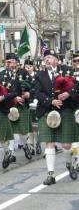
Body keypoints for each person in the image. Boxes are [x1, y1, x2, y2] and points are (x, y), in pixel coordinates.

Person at [35, 49, 77, 185]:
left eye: (50, 57)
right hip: (48, 111)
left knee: (66, 144)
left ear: (56, 60)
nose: (47, 60)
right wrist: (50, 101)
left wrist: (69, 94)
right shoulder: (40, 75)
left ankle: (69, 163)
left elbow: (77, 86)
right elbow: (38, 93)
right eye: (46, 57)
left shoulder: (67, 70)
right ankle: (50, 174)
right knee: (49, 142)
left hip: (65, 110)